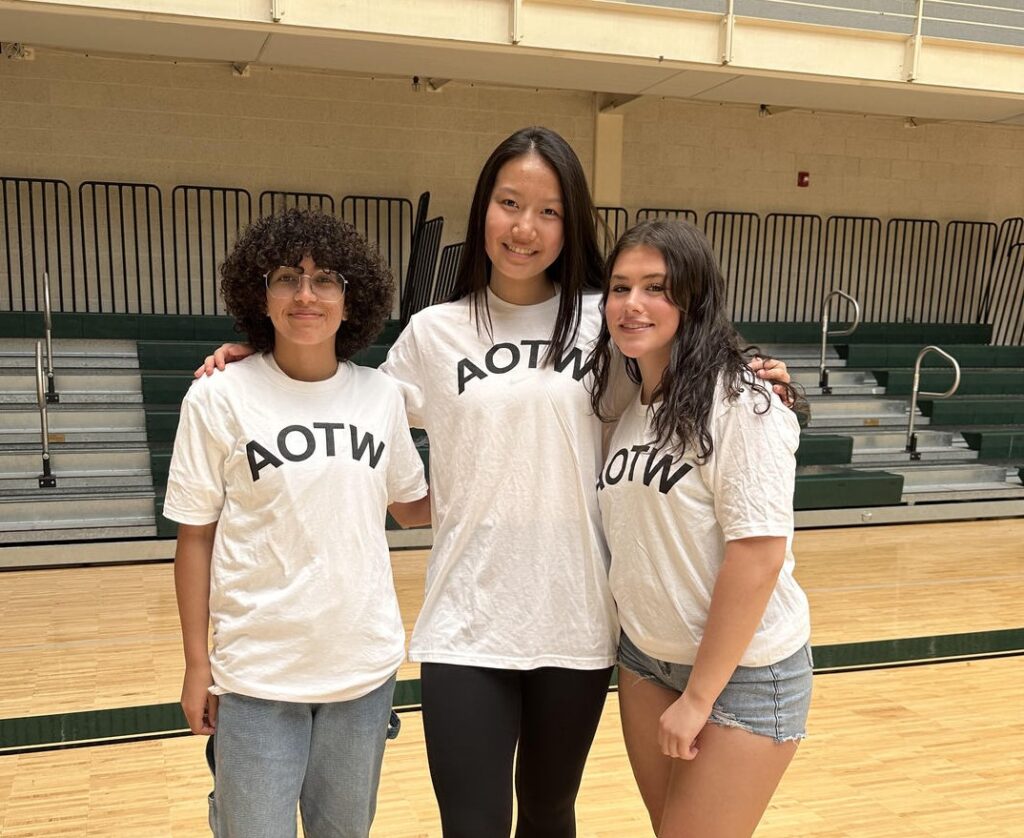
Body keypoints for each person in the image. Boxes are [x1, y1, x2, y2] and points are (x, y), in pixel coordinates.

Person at [196, 127, 793, 836]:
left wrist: (755, 370)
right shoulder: (433, 333)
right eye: (510, 202)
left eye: (548, 211)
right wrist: (261, 358)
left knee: (548, 813)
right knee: (472, 824)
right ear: (484, 210)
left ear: (570, 227)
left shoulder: (605, 322)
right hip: (465, 625)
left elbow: (683, 358)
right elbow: (345, 401)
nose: (525, 226)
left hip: (577, 620)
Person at [166, 208, 429, 838]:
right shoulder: (218, 394)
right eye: (288, 277)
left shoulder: (380, 395)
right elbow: (194, 538)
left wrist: (502, 472)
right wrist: (196, 663)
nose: (306, 295)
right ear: (262, 295)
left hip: (362, 671)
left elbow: (412, 506)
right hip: (258, 674)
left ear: (351, 297)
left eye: (326, 279)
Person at [589, 219, 812, 838]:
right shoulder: (633, 407)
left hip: (739, 676)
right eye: (620, 287)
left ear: (694, 298)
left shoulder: (744, 400)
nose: (632, 304)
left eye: (656, 287)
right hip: (646, 662)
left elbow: (758, 557)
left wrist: (698, 699)